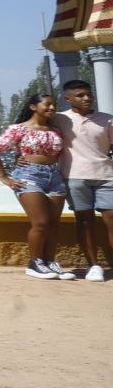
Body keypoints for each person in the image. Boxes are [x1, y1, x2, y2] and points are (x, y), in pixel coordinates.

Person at [0, 93, 75, 279]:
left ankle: (50, 262)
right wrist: (4, 177)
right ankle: (35, 263)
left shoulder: (55, 130)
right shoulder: (19, 129)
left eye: (54, 105)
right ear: (33, 107)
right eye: (47, 104)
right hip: (29, 175)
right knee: (41, 223)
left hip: (54, 176)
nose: (52, 108)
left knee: (53, 224)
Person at [56, 78, 112, 281]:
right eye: (80, 95)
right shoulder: (59, 119)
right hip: (75, 177)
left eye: (89, 94)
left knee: (111, 219)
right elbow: (32, 130)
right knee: (84, 221)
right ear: (68, 98)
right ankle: (94, 266)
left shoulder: (107, 119)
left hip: (107, 176)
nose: (87, 98)